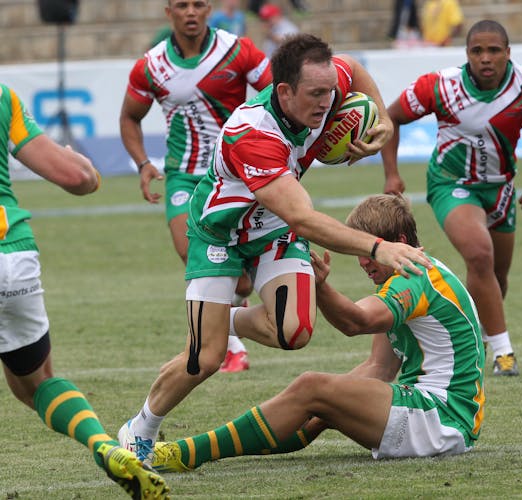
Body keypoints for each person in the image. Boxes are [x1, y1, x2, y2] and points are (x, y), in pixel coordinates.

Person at [119, 33, 432, 465]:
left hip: (273, 229)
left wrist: (381, 116)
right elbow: (304, 218)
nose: (327, 103)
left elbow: (353, 71)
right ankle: (140, 428)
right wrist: (378, 247)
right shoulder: (253, 133)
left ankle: (223, 320)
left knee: (294, 333)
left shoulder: (328, 82)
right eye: (316, 94)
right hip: (220, 233)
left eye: (329, 92)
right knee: (204, 360)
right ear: (284, 92)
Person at [146, 193, 485, 471]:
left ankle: (184, 453)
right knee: (318, 400)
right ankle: (186, 452)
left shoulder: (416, 277)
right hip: (437, 416)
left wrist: (320, 287)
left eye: (372, 252)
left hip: (442, 418)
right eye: (362, 253)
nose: (365, 262)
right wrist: (322, 399)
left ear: (399, 242)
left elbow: (357, 322)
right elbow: (378, 369)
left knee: (312, 386)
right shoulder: (411, 277)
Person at [381, 19, 522, 376]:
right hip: (450, 184)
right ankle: (503, 354)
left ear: (508, 53)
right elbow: (390, 118)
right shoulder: (440, 86)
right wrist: (391, 173)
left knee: (495, 276)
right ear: (466, 54)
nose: (485, 58)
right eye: (477, 51)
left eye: (493, 51)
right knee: (478, 254)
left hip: (501, 190)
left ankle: (475, 335)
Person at [0, 84, 169, 499]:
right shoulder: (3, 97)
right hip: (11, 255)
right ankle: (105, 447)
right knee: (35, 383)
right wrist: (84, 166)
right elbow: (77, 178)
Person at [120, 0, 273, 373]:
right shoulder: (151, 66)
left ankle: (233, 317)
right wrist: (143, 163)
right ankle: (230, 346)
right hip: (184, 176)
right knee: (193, 257)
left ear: (209, 9)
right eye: (182, 5)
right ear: (168, 10)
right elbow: (129, 116)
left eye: (198, 4)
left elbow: (280, 93)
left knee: (238, 283)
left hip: (234, 172)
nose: (191, 12)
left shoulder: (238, 51)